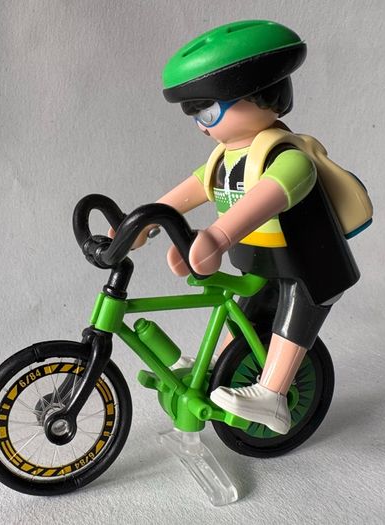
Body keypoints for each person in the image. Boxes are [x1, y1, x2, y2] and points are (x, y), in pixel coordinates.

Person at [128, 20, 362, 434]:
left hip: (311, 268)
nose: (202, 124)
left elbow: (265, 198)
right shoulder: (224, 158)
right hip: (262, 263)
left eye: (208, 110)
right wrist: (143, 222)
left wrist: (218, 236)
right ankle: (220, 369)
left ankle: (273, 397)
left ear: (261, 94)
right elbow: (189, 191)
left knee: (292, 319)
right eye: (194, 114)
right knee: (245, 319)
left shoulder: (288, 158)